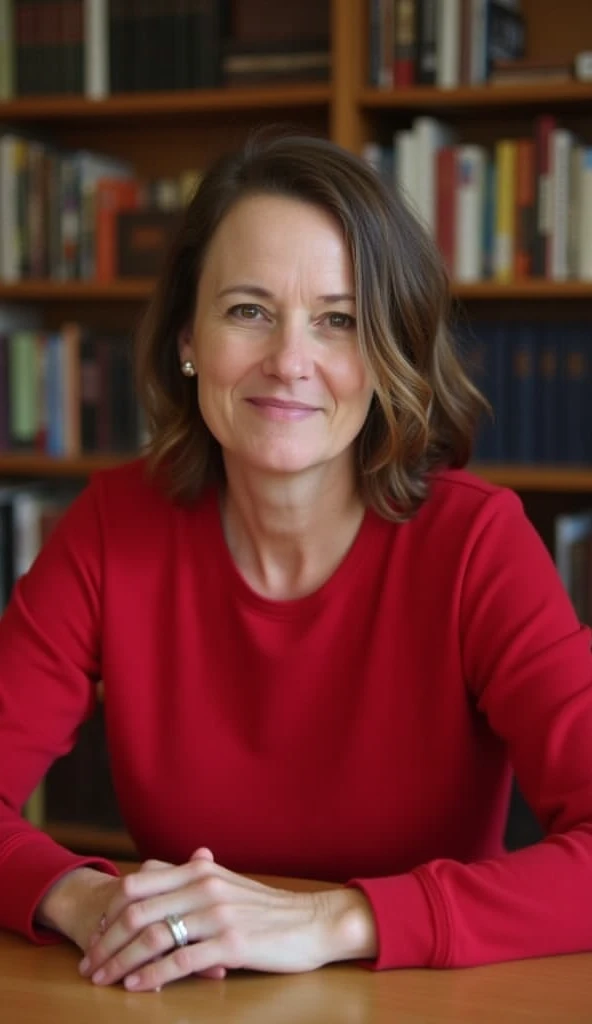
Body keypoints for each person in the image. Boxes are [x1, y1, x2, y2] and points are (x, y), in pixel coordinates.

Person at [0, 131, 591, 994]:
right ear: (186, 337)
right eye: (248, 310)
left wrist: (329, 920)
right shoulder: (109, 529)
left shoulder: (478, 546)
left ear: (389, 353)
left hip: (426, 1006)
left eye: (338, 320)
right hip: (181, 1004)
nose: (289, 361)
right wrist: (84, 899)